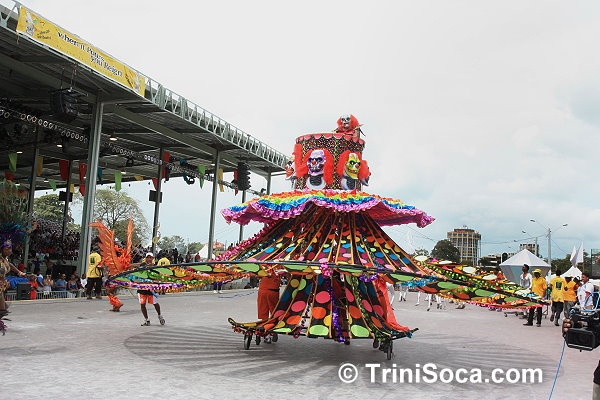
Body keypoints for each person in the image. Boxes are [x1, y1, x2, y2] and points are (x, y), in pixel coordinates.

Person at [132, 253, 164, 326]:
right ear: (146, 258)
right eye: (148, 257)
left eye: (150, 257)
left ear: (153, 258)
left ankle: (159, 315)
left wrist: (159, 287)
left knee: (155, 303)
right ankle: (147, 320)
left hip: (151, 289)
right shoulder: (142, 266)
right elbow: (134, 266)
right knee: (142, 304)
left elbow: (158, 277)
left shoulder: (155, 268)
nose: (149, 259)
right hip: (142, 288)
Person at [0, 240, 26, 312]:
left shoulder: (5, 259)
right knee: (2, 309)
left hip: (2, 286)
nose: (9, 251)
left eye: (10, 249)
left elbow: (10, 265)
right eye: (6, 249)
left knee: (3, 309)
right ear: (1, 250)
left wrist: (19, 272)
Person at [257, 273, 281, 343]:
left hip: (263, 290)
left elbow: (258, 275)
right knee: (274, 312)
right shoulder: (279, 268)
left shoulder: (264, 268)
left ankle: (266, 334)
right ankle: (273, 330)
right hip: (273, 291)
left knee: (263, 312)